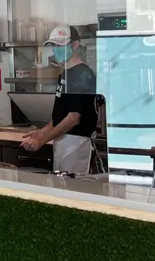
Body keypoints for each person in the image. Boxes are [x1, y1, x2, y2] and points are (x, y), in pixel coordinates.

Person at [22, 25, 98, 174]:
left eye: (60, 45)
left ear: (75, 45)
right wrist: (42, 132)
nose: (56, 49)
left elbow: (73, 118)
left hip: (76, 143)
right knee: (61, 183)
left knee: (72, 185)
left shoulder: (82, 74)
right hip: (63, 141)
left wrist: (42, 141)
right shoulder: (65, 74)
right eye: (54, 45)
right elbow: (61, 115)